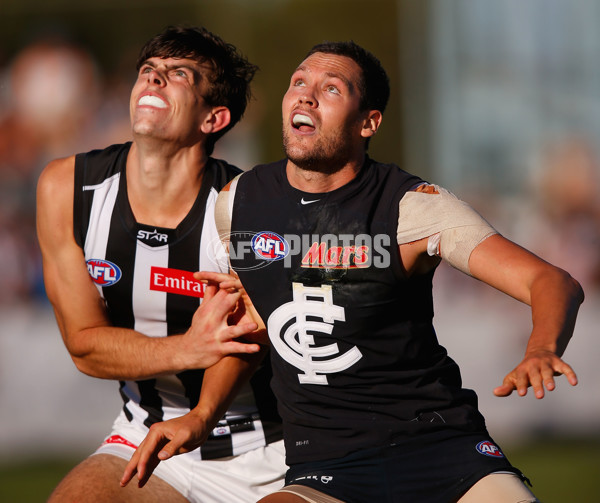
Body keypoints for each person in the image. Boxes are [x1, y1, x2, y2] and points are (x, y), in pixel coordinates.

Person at [121, 40, 583, 503]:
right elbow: (253, 326)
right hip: (326, 467)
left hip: (444, 452)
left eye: (331, 89)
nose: (305, 95)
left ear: (369, 122)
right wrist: (203, 414)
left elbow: (550, 280)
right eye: (298, 82)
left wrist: (541, 349)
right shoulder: (238, 203)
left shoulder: (414, 207)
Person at [36, 25, 286, 503]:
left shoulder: (249, 204)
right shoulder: (65, 189)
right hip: (143, 434)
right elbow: (85, 346)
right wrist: (188, 350)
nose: (152, 80)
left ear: (214, 118)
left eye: (177, 75)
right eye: (148, 71)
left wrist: (200, 412)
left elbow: (242, 342)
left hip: (265, 447)